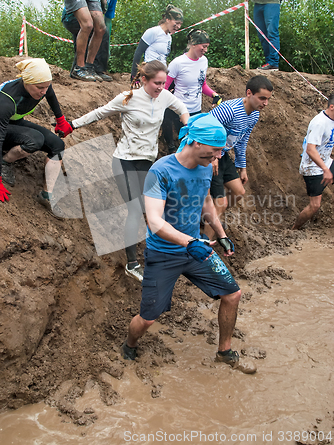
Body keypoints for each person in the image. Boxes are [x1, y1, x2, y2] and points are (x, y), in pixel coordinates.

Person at [121, 113, 256, 374]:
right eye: (214, 151)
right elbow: (154, 221)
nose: (217, 158)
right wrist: (190, 241)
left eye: (220, 152)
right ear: (195, 143)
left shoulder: (206, 166)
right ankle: (129, 344)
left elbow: (205, 201)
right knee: (148, 318)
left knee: (232, 294)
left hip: (196, 250)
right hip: (164, 253)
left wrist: (221, 232)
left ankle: (225, 352)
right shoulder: (161, 171)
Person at [70, 60, 189, 281]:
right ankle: (132, 264)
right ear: (144, 79)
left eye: (163, 83)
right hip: (124, 160)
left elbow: (181, 109)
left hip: (148, 162)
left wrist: (188, 131)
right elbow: (99, 113)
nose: (161, 88)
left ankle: (164, 253)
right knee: (135, 210)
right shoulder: (128, 98)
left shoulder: (164, 96)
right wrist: (72, 125)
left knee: (154, 209)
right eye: (156, 83)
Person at [204, 75, 273, 240]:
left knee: (239, 192)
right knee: (221, 204)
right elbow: (204, 129)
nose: (265, 103)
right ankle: (204, 245)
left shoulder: (254, 114)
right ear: (249, 93)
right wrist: (211, 157)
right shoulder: (230, 110)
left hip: (224, 154)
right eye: (262, 98)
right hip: (208, 154)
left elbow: (242, 141)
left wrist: (242, 167)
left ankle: (211, 219)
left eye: (268, 99)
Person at [0, 58, 72, 216]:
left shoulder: (41, 85)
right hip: (1, 127)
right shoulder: (6, 100)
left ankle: (46, 195)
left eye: (47, 86)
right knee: (35, 140)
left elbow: (51, 97)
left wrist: (61, 120)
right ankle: (4, 162)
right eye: (40, 88)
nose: (44, 91)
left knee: (57, 145)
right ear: (26, 81)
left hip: (14, 122)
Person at [62, 0, 132, 82]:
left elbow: (108, 21)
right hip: (72, 16)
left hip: (91, 21)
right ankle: (80, 69)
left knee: (102, 29)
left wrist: (106, 47)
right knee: (90, 27)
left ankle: (95, 70)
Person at [162, 29, 222, 154]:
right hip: (178, 110)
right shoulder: (177, 63)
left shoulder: (203, 61)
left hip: (195, 110)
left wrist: (213, 94)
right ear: (193, 44)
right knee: (182, 148)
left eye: (207, 47)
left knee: (193, 147)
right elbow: (164, 87)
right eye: (203, 46)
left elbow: (202, 85)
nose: (206, 50)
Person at [292, 94, 334, 230]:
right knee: (315, 205)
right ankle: (294, 229)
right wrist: (325, 169)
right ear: (332, 107)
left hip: (326, 161)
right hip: (313, 167)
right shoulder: (319, 123)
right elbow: (310, 149)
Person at [130, 4, 184, 83]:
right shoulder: (153, 32)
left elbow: (163, 58)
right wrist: (134, 76)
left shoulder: (169, 37)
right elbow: (138, 53)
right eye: (177, 23)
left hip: (162, 74)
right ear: (168, 19)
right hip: (151, 73)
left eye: (180, 24)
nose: (179, 26)